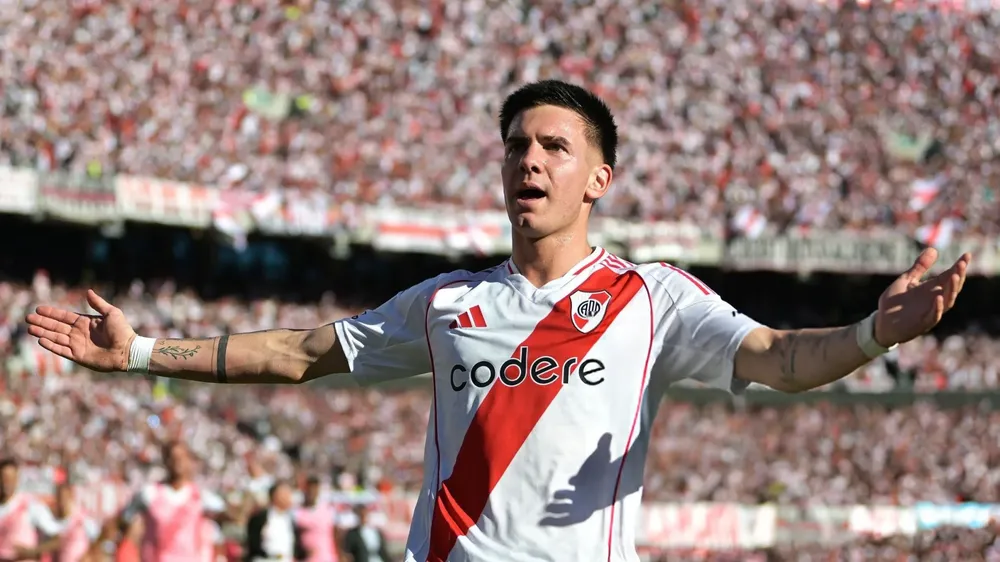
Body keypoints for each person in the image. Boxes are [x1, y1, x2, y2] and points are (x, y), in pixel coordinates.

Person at [26, 79, 970, 561]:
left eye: (556, 146)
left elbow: (780, 358)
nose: (531, 160)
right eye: (518, 145)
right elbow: (300, 353)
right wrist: (144, 349)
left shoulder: (651, 298)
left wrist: (874, 333)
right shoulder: (446, 304)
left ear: (599, 178)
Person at [118, 442, 227, 562]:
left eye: (182, 458)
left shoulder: (200, 497)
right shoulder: (150, 494)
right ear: (166, 461)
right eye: (173, 458)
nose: (178, 462)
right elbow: (125, 518)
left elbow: (225, 516)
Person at [0, 459, 69, 562]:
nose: (7, 483)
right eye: (4, 478)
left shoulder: (30, 505)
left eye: (11, 478)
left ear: (17, 479)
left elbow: (58, 539)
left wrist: (33, 551)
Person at [244, 481, 305, 562]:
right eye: (285, 494)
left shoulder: (290, 519)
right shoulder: (260, 517)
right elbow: (253, 542)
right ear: (274, 496)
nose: (289, 497)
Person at [293, 477, 339, 562]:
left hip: (326, 557)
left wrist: (339, 554)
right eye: (309, 489)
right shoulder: (297, 512)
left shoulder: (327, 510)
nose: (311, 492)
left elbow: (335, 534)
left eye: (314, 489)